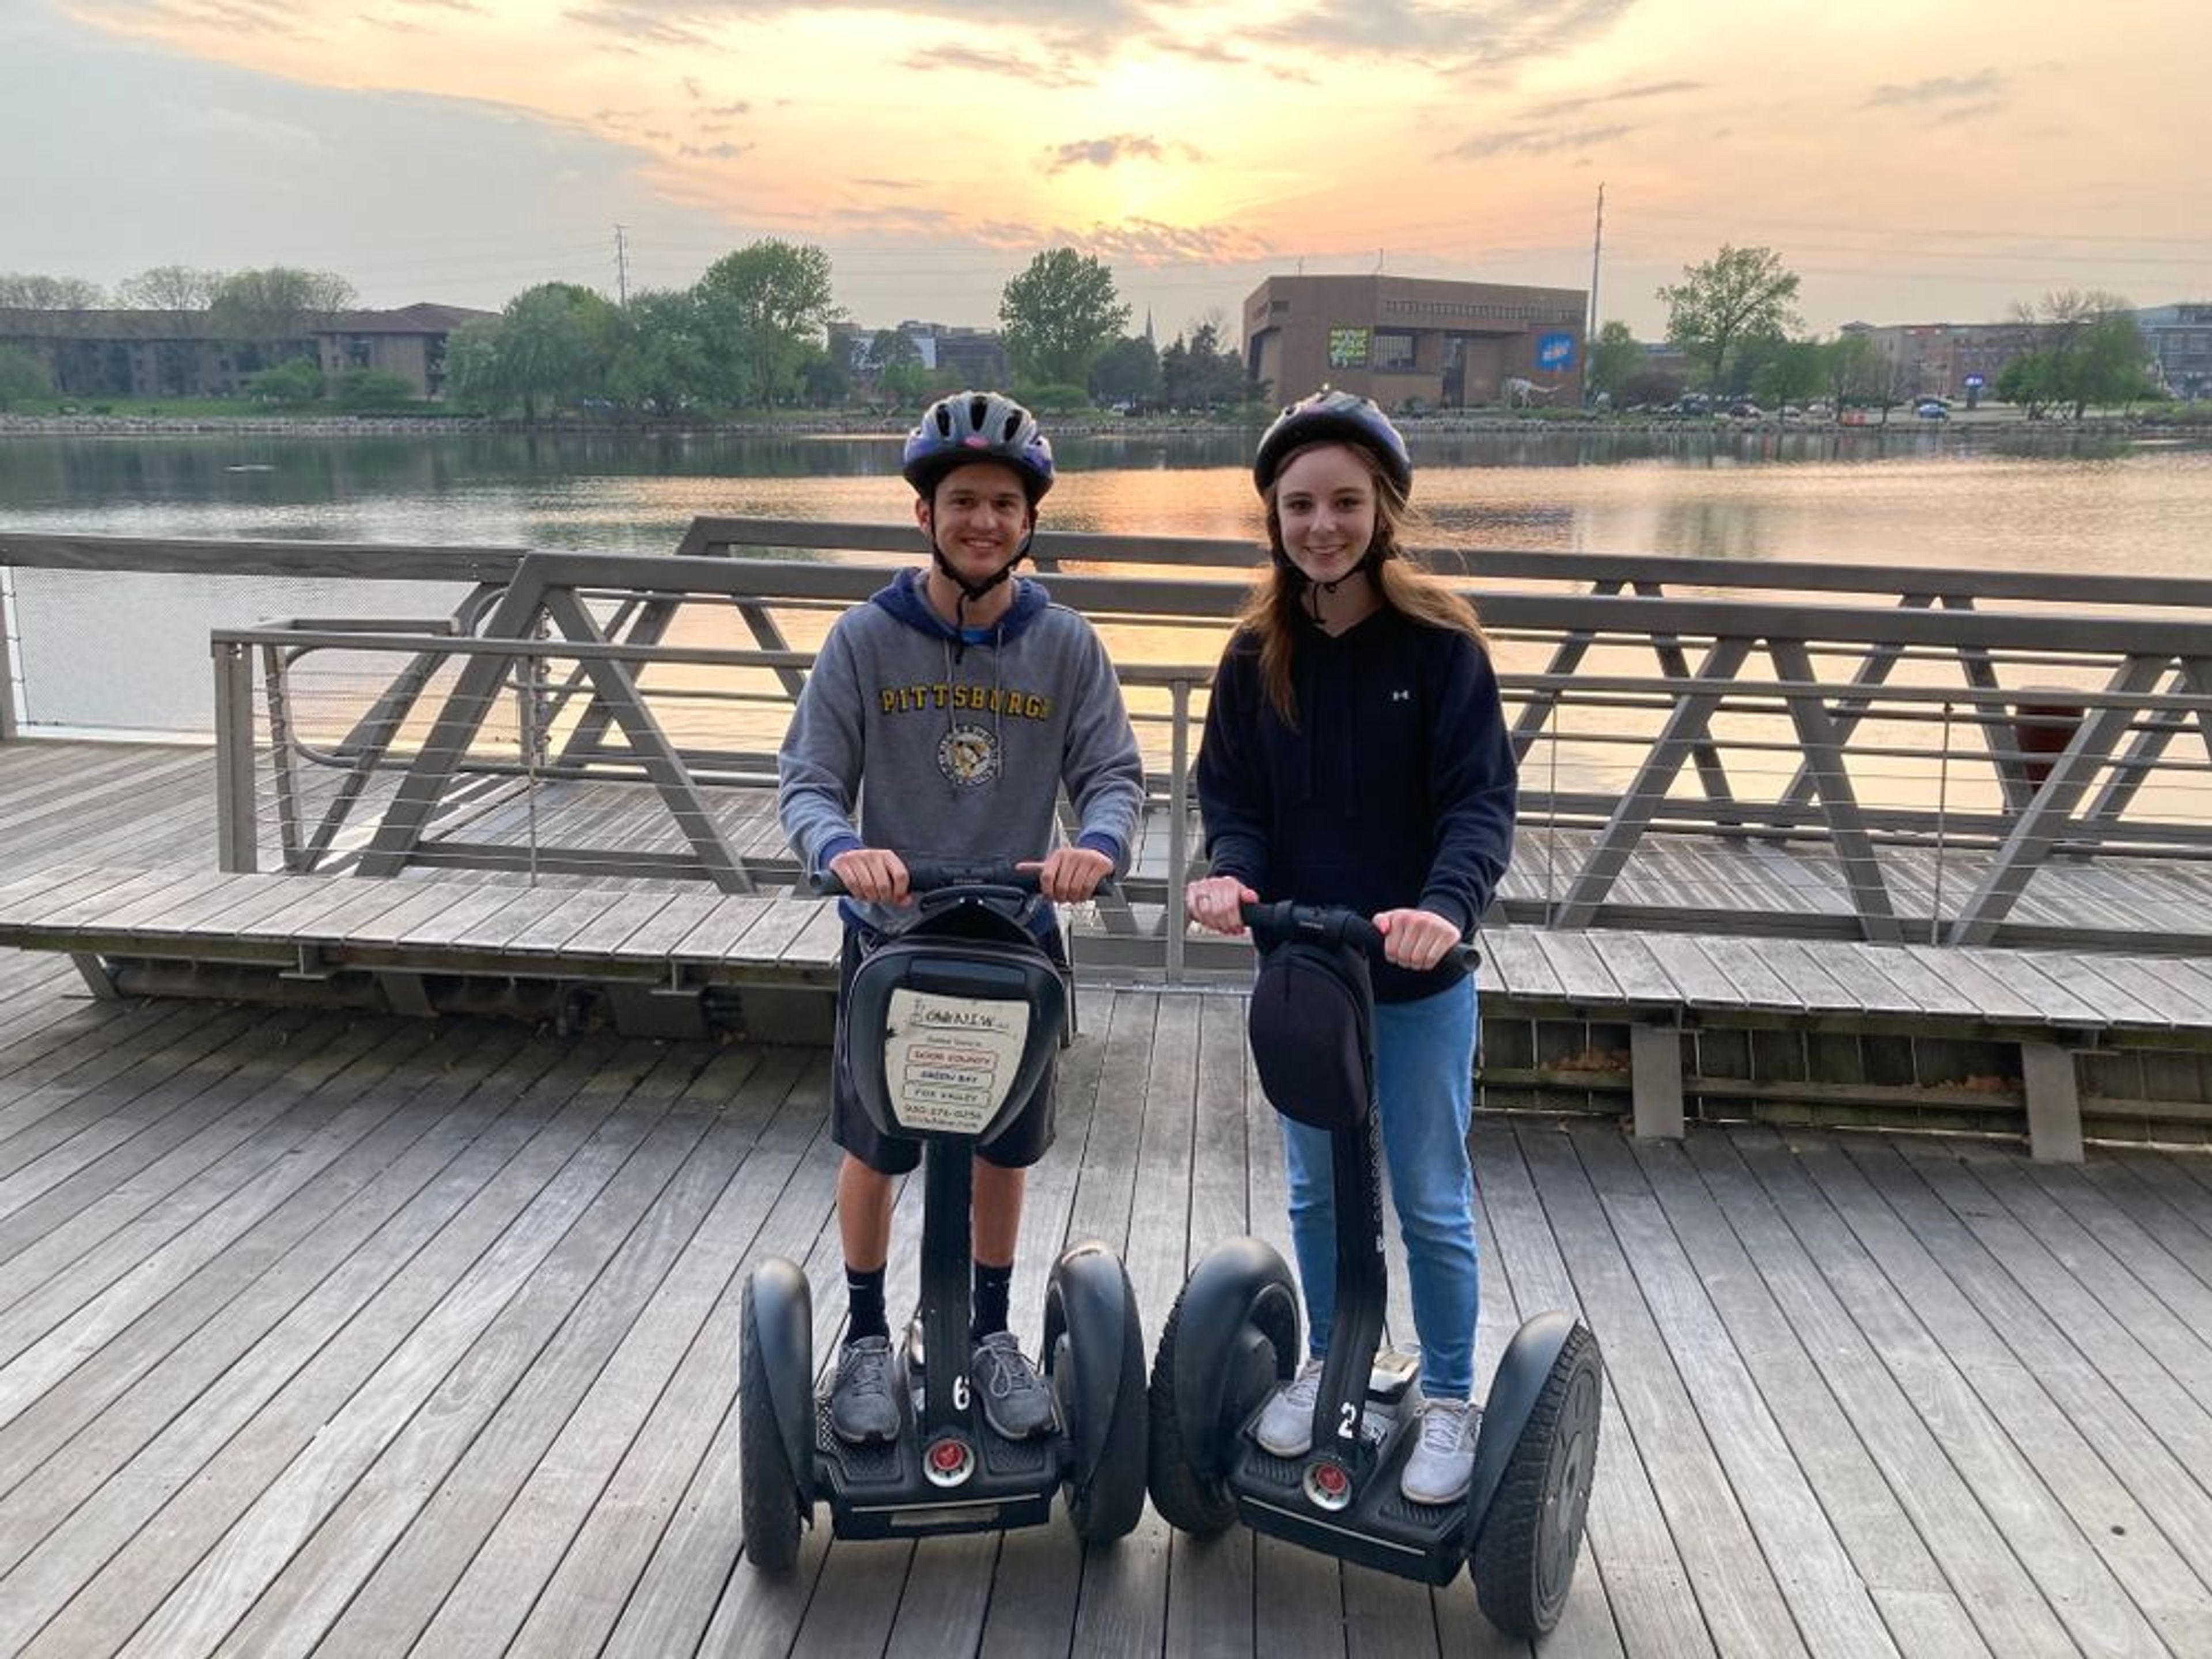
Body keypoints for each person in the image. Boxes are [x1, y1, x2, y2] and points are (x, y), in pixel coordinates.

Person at [778, 389, 1145, 1447]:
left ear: (1029, 522)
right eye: (963, 501)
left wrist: (1097, 847)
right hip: (893, 936)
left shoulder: (1065, 645)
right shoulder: (864, 640)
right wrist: (841, 851)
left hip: (1015, 937)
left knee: (1002, 1147)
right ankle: (864, 1335)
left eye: (1003, 505)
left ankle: (988, 1332)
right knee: (877, 1145)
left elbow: (1114, 775)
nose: (983, 521)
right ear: (926, 514)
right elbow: (808, 780)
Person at [1184, 389, 1516, 1506]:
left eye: (1344, 503)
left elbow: (1478, 804)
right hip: (1306, 974)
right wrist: (1232, 874)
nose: (1321, 525)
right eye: (1299, 505)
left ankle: (1453, 1396)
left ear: (1383, 512)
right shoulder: (1256, 655)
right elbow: (1233, 798)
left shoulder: (1441, 648)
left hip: (1416, 973)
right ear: (1274, 517)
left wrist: (1446, 908)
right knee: (1318, 1192)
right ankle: (1334, 1361)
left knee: (1427, 1197)